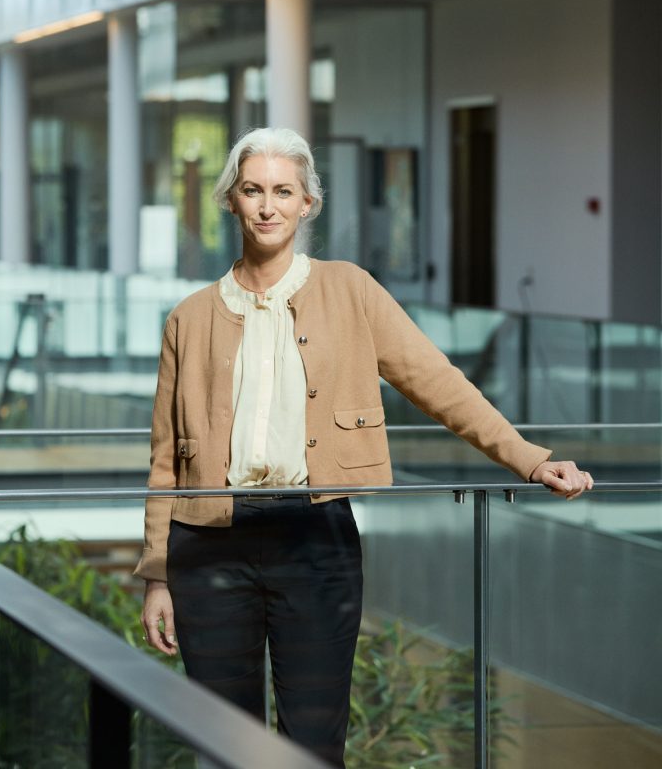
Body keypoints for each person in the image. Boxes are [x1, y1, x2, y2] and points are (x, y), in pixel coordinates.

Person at [137, 126, 593, 767]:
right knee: (221, 745)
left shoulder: (351, 290)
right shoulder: (188, 316)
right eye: (253, 190)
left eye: (283, 191)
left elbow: (438, 383)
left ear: (307, 204)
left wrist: (530, 458)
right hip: (208, 541)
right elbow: (165, 456)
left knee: (315, 742)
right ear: (232, 201)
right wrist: (157, 575)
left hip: (316, 537)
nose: (268, 205)